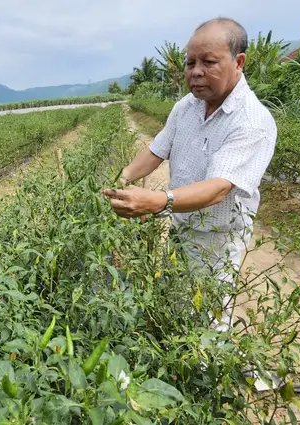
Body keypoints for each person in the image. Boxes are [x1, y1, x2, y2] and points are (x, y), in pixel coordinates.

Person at [103, 17, 277, 331]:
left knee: (207, 320)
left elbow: (217, 189)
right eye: (190, 62)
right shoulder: (187, 106)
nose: (195, 71)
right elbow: (157, 151)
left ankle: (206, 370)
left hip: (218, 240)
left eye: (208, 62)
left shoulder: (252, 122)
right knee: (173, 299)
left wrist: (157, 201)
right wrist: (120, 179)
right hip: (181, 226)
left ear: (238, 62)